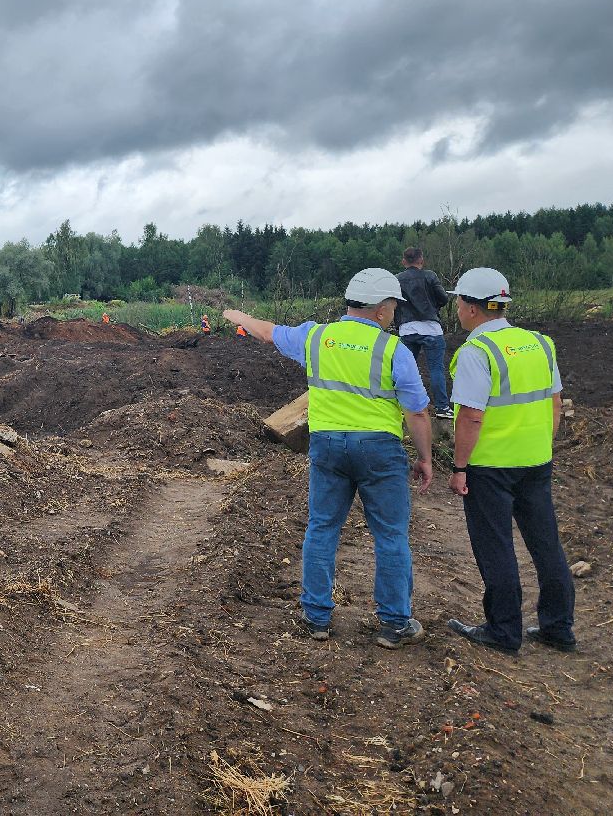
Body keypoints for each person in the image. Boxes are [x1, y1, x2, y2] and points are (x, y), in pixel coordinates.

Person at [225, 268, 434, 649]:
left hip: (327, 446)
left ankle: (316, 617)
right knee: (390, 535)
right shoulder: (393, 350)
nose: (394, 314)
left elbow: (269, 332)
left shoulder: (317, 337)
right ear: (382, 309)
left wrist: (240, 317)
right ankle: (394, 623)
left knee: (322, 528)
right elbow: (417, 411)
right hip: (379, 449)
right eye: (393, 307)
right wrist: (425, 458)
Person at [444, 267, 575, 655]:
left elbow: (471, 416)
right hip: (536, 460)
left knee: (495, 546)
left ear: (471, 308)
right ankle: (558, 627)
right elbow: (554, 402)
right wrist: (541, 446)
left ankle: (503, 631)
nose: (457, 309)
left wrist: (459, 467)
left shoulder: (476, 352)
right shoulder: (540, 343)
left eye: (459, 302)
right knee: (546, 543)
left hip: (490, 466)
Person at [396, 247, 452, 418]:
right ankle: (442, 408)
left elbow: (394, 302)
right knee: (436, 369)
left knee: (405, 370)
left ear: (404, 261)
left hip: (407, 329)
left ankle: (403, 408)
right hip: (431, 328)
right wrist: (433, 307)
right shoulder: (430, 276)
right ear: (421, 260)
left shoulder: (397, 279)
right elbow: (443, 298)